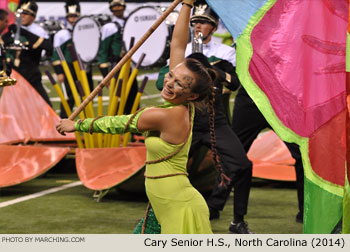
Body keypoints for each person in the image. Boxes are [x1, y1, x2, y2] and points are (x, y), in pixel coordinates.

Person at [56, 0, 223, 234]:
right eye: (171, 77)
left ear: (193, 95)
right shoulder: (185, 105)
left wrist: (77, 125)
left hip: (179, 207)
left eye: (179, 84)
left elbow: (117, 123)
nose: (169, 83)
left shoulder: (166, 116)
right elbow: (177, 45)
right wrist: (186, 4)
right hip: (161, 204)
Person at [156, 1, 254, 234]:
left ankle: (237, 221)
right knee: (166, 169)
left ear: (214, 26)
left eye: (204, 22)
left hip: (214, 119)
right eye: (196, 22)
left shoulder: (225, 52)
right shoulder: (184, 51)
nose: (199, 26)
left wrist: (211, 70)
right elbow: (162, 83)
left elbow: (234, 82)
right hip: (185, 119)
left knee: (242, 165)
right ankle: (162, 218)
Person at [232, 87, 305, 223]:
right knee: (233, 156)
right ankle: (215, 207)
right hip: (252, 97)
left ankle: (306, 210)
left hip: (282, 99)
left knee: (303, 155)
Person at [2, 0, 53, 106]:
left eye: (25, 13)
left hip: (32, 76)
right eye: (19, 13)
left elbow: (49, 47)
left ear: (33, 17)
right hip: (13, 77)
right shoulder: (11, 30)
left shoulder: (38, 31)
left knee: (46, 107)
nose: (21, 16)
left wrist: (23, 32)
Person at [51, 0, 94, 118]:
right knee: (69, 97)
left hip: (84, 67)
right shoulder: (62, 34)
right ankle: (64, 122)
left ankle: (87, 123)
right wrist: (59, 72)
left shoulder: (86, 31)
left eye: (75, 16)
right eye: (70, 16)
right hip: (69, 68)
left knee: (87, 96)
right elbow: (56, 55)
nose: (73, 18)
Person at [98, 0, 138, 114]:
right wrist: (106, 74)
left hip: (129, 66)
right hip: (116, 68)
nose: (117, 9)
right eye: (115, 7)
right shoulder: (109, 27)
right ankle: (117, 131)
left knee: (133, 98)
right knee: (118, 101)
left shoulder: (130, 23)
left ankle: (135, 130)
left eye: (119, 6)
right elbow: (103, 51)